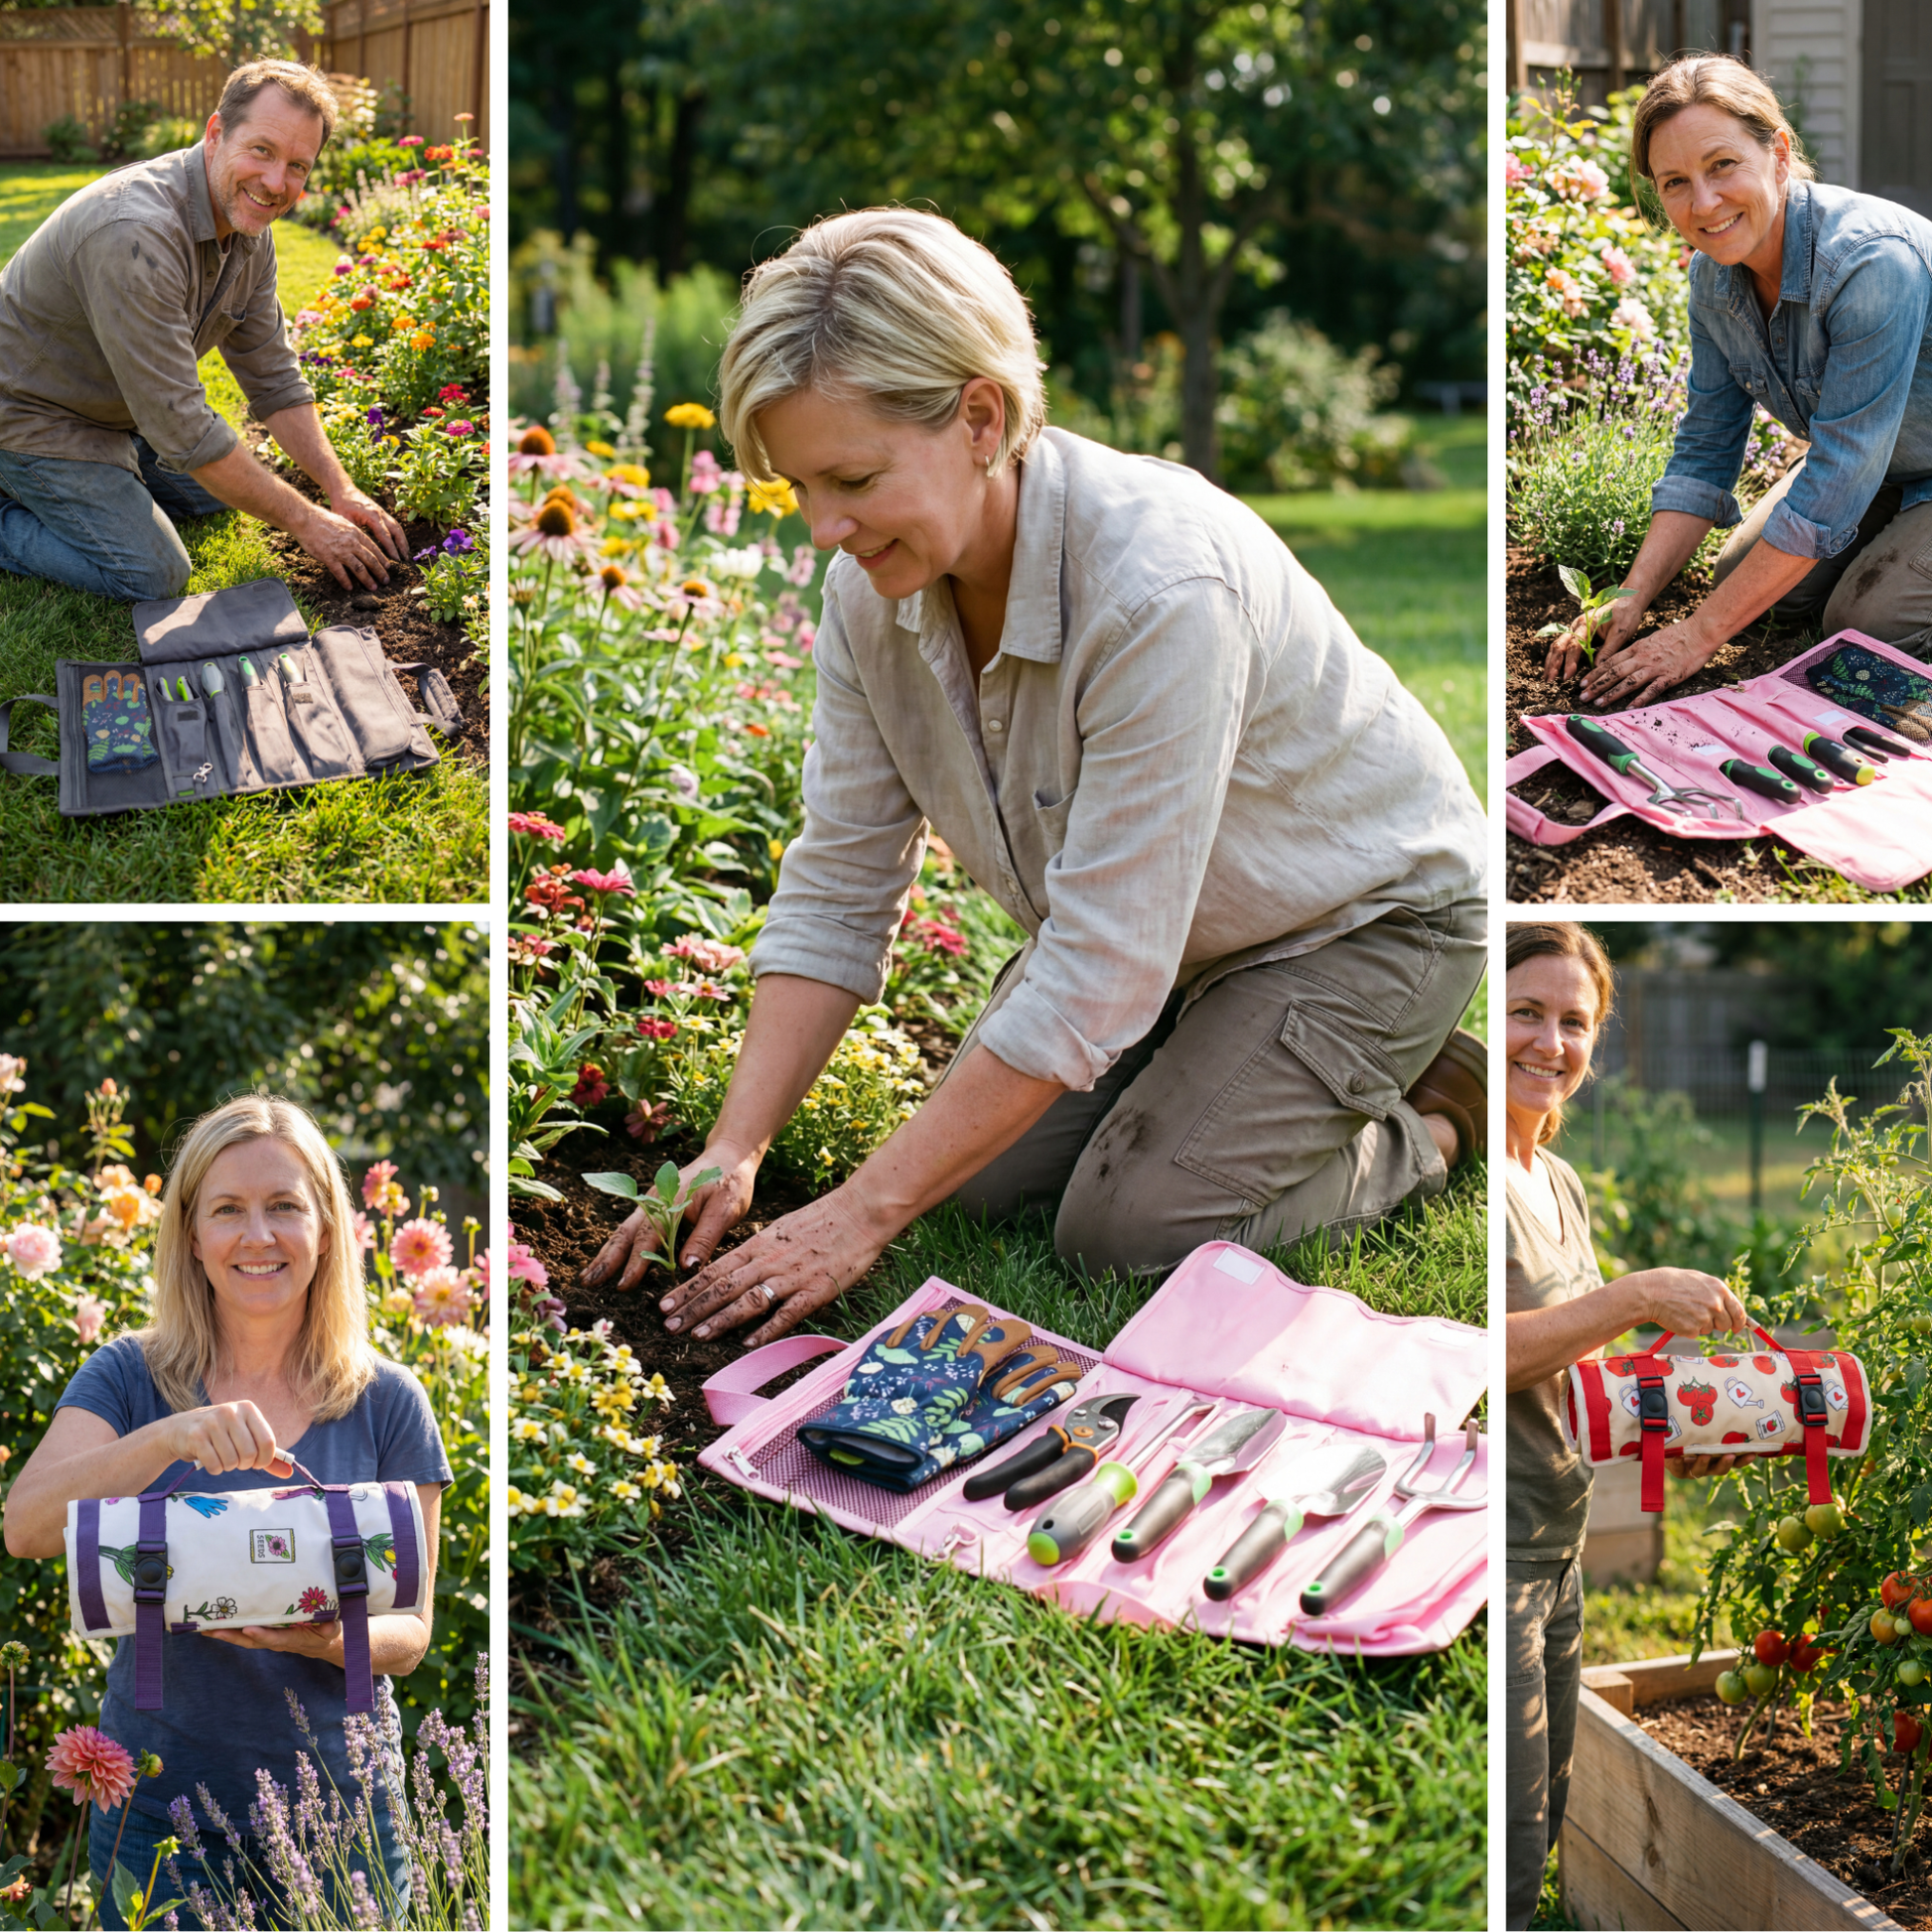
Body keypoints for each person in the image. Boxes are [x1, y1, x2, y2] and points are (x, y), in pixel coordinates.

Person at [584, 207, 1489, 1344]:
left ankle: (1436, 1119)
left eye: (851, 477)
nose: (821, 528)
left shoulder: (1159, 590)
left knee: (1126, 1231)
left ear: (980, 415)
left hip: (1362, 923)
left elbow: (1100, 963)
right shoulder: (872, 593)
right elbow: (840, 883)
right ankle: (1217, 1053)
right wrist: (734, 1145)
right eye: (800, 487)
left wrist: (858, 1215)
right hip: (1176, 941)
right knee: (971, 1182)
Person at [1, 1096, 451, 1930]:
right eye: (227, 1210)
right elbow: (24, 1526)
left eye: (284, 1205)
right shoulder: (129, 1377)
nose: (258, 1236)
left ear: (326, 1227)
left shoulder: (389, 1402)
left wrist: (315, 1634)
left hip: (344, 1819)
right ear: (192, 1235)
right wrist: (169, 1437)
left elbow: (410, 1634)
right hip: (160, 1815)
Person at [1545, 55, 1932, 709]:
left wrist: (1696, 638)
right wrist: (1631, 597)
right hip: (1887, 468)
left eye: (1722, 165)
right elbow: (1706, 447)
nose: (1703, 203)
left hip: (1876, 466)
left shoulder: (1871, 264)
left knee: (1865, 628)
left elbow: (1836, 480)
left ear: (1778, 152)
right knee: (1751, 582)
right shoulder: (1712, 280)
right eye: (1674, 181)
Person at [1503, 923, 1746, 1929]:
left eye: (1574, 1021)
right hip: (1497, 1546)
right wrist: (1638, 1290)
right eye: (1526, 1010)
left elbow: (1577, 1370)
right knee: (1505, 1857)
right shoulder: (1471, 1180)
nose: (1550, 1041)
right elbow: (1487, 1351)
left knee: (1548, 1813)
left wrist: (1672, 1426)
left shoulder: (1555, 1181)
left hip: (1560, 1542)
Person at [0, 60, 406, 603]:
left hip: (117, 412)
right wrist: (308, 523)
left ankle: (99, 480)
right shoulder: (134, 234)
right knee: (152, 574)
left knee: (217, 493)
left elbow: (273, 376)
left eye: (297, 166)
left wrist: (339, 488)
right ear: (216, 133)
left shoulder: (248, 231)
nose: (275, 183)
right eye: (262, 150)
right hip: (32, 415)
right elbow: (183, 429)